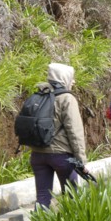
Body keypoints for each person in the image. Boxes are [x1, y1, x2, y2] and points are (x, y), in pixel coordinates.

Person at [30, 63, 88, 209]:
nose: (73, 81)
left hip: (38, 155)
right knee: (71, 196)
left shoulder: (38, 95)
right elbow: (74, 131)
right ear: (63, 78)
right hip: (61, 156)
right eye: (71, 78)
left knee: (42, 197)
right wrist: (81, 160)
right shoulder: (66, 98)